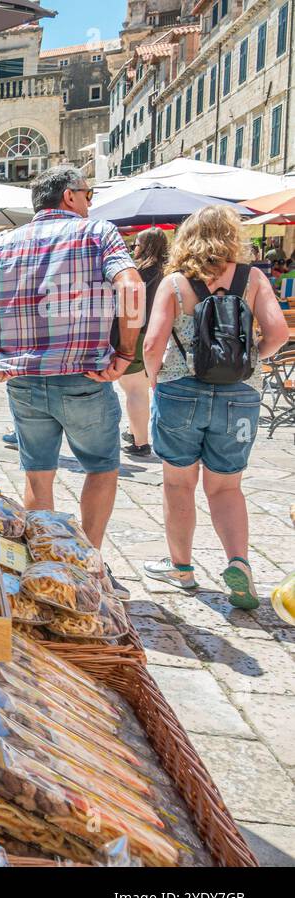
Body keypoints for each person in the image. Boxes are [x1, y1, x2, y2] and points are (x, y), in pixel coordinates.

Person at [0, 165, 143, 567]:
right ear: (70, 195)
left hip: (24, 378)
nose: (90, 202)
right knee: (101, 468)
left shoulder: (4, 243)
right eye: (88, 195)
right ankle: (86, 562)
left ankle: (46, 562)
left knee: (38, 475)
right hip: (83, 375)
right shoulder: (98, 233)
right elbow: (131, 286)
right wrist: (126, 353)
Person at [141, 205, 287, 609]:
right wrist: (250, 360)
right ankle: (238, 562)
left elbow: (152, 343)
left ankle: (182, 568)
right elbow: (278, 333)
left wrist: (154, 378)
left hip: (181, 391)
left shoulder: (175, 283)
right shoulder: (253, 278)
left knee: (178, 482)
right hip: (239, 395)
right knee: (226, 486)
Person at [120, 227, 168, 458]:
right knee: (140, 388)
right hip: (158, 335)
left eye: (137, 244)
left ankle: (140, 443)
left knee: (134, 389)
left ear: (146, 246)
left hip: (138, 334)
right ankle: (134, 431)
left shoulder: (142, 273)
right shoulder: (167, 272)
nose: (134, 248)